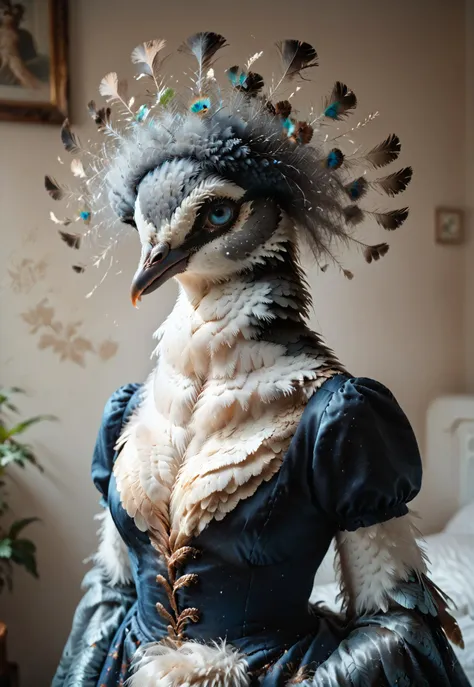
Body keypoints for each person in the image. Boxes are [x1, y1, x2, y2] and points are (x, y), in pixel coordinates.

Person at [50, 32, 470, 687]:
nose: (153, 262)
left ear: (266, 219)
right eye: (146, 236)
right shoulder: (130, 415)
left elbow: (396, 622)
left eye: (214, 213)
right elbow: (112, 590)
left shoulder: (338, 419)